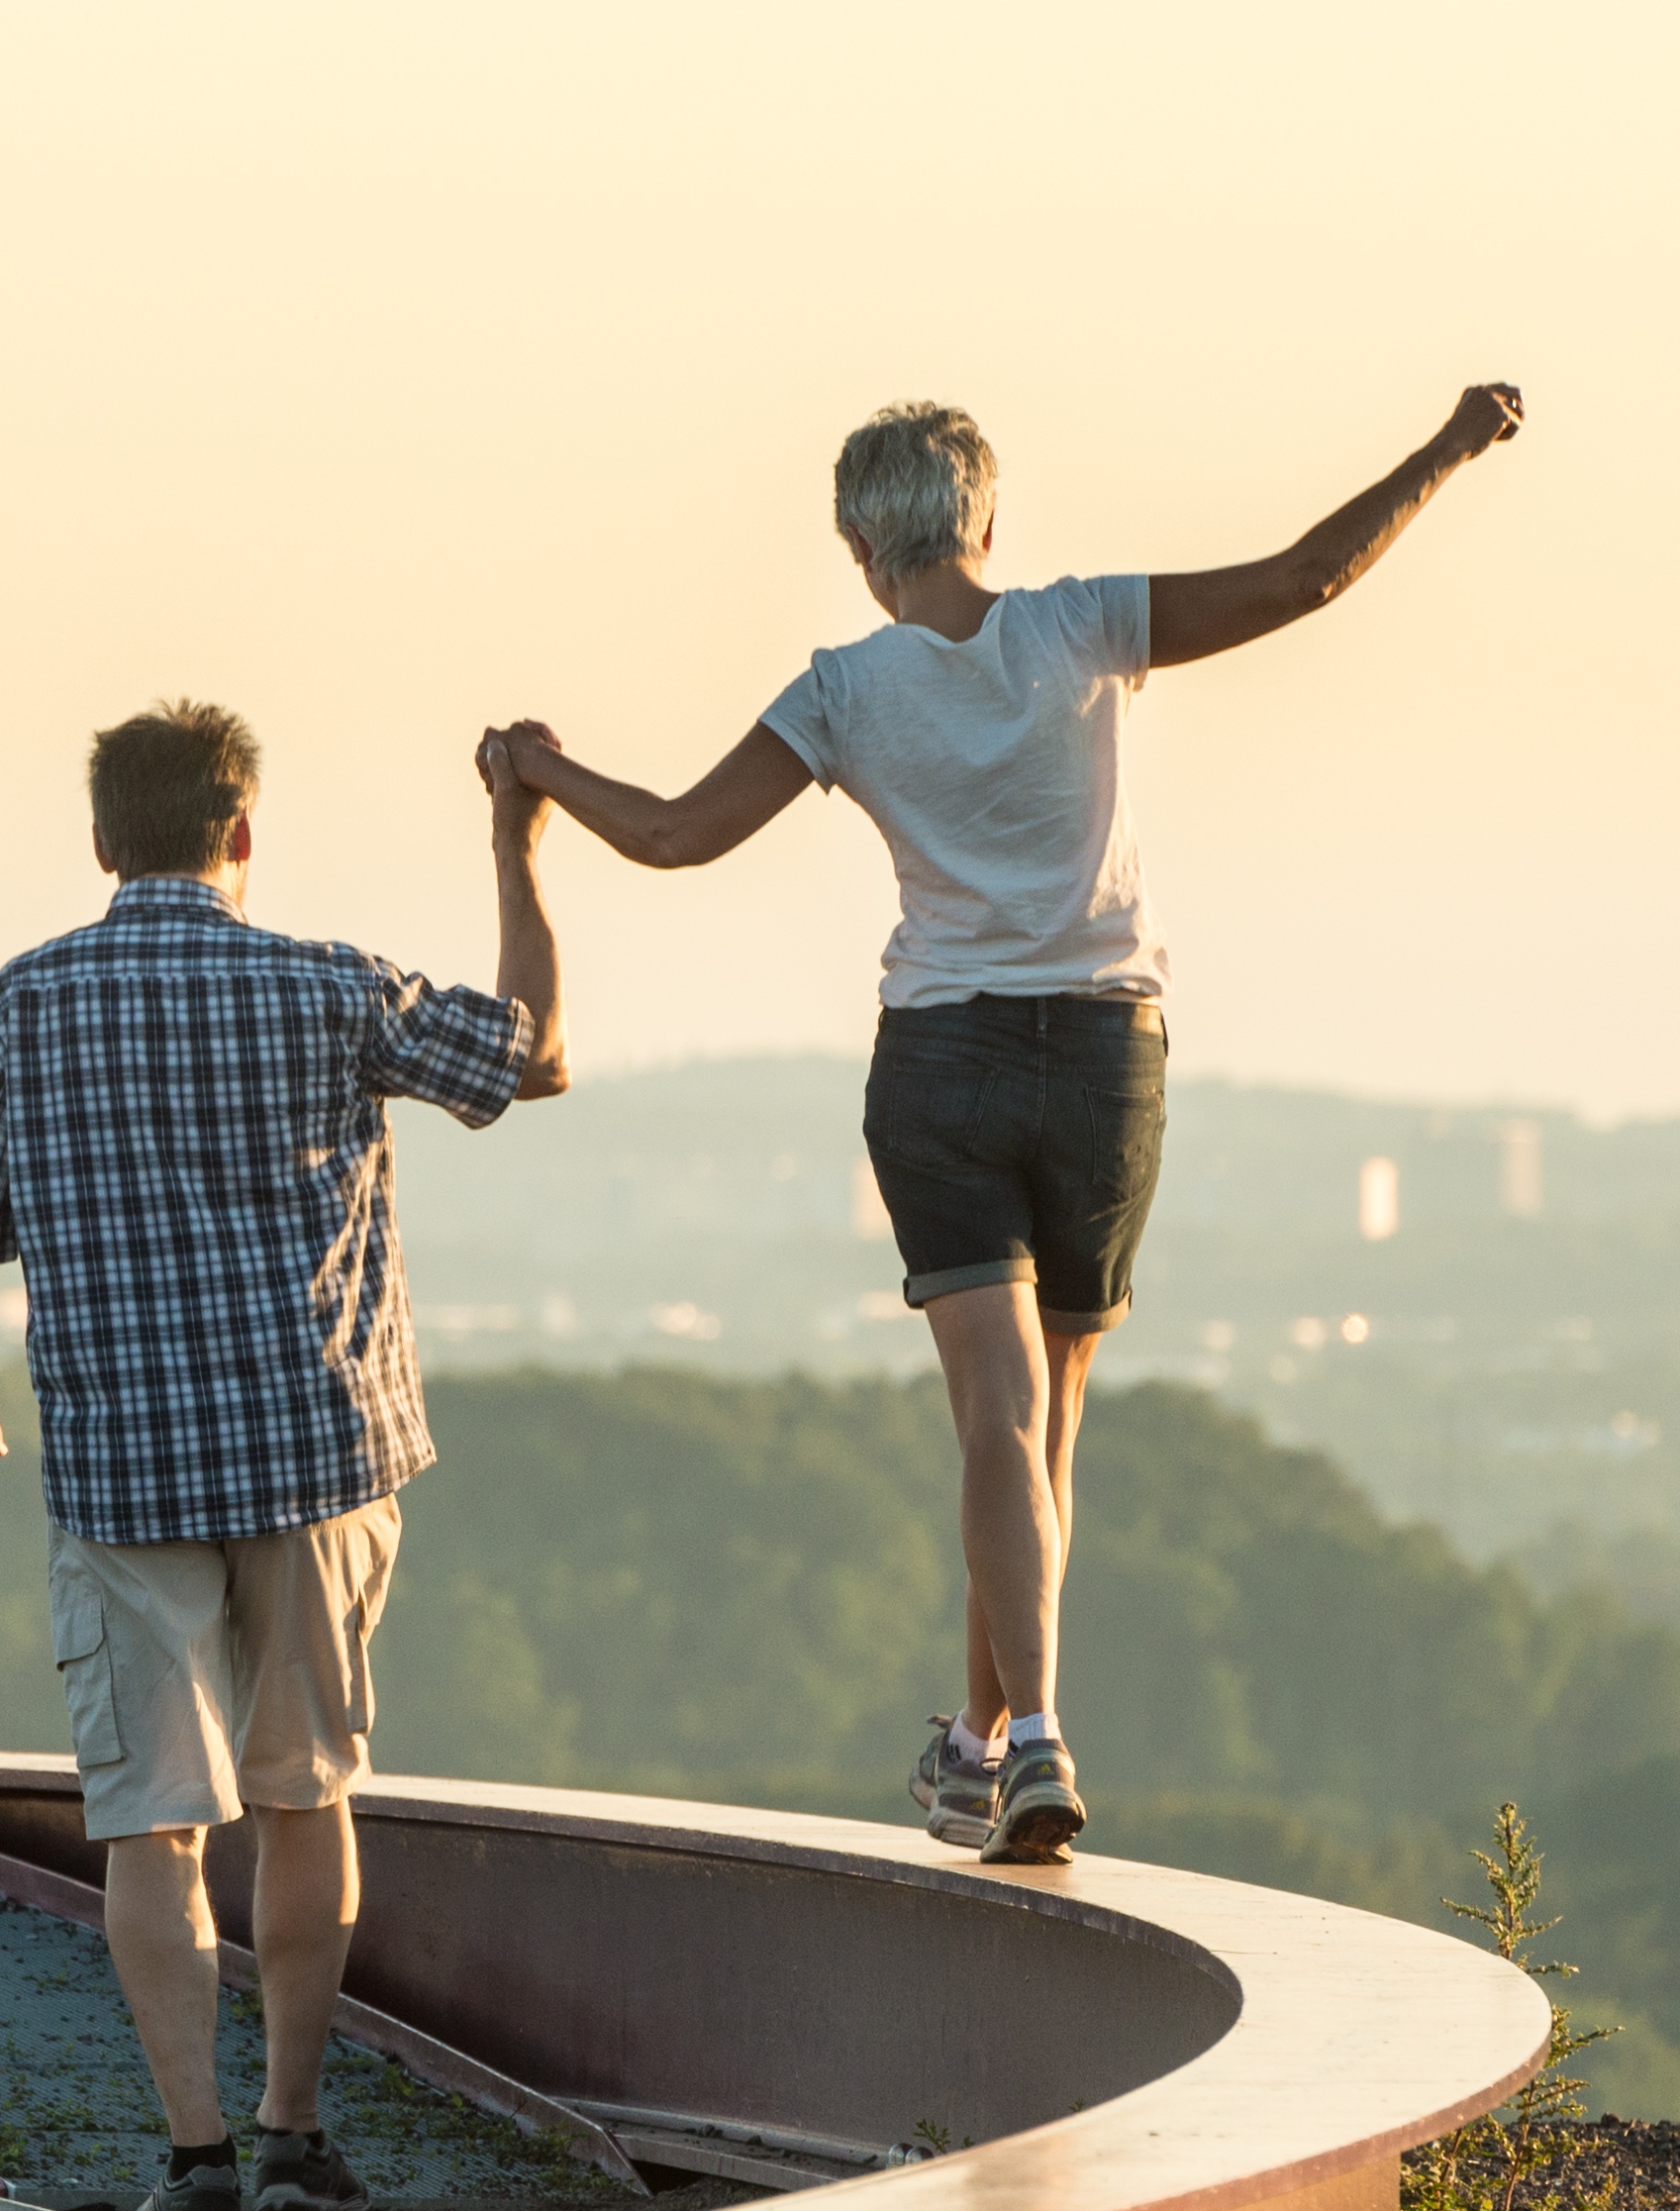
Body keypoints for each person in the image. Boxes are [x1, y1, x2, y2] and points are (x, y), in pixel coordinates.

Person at [487, 382, 1524, 1866]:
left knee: (994, 1419)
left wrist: (534, 781)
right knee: (1049, 1425)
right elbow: (1304, 576)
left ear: (860, 547)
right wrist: (1438, 453)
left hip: (940, 1064)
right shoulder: (1077, 625)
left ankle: (1002, 1740)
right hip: (1105, 1056)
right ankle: (1004, 1741)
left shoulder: (839, 689)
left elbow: (665, 832)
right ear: (984, 517)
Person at [0, 696, 566, 2211]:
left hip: (124, 1469)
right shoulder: (328, 986)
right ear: (241, 832)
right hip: (313, 1457)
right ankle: (290, 2131)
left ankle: (191, 2154)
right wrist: (513, 842)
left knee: (151, 1821)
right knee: (304, 1795)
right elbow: (527, 1055)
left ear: (100, 843)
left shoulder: (31, 997)